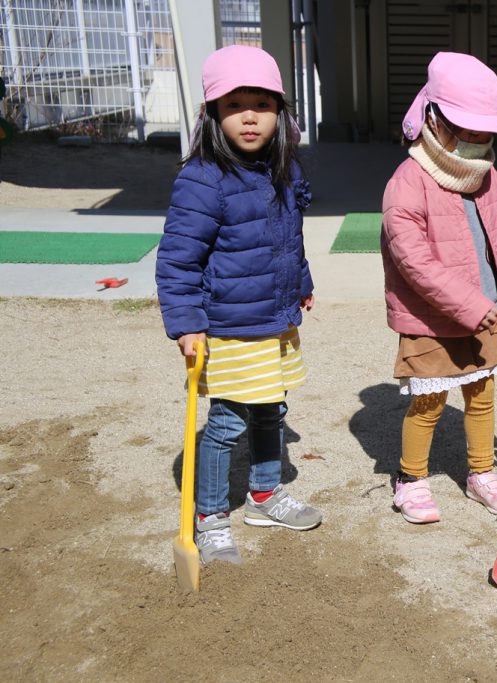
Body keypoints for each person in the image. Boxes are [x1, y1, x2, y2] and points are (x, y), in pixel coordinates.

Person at [156, 45, 321, 565]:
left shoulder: (283, 170)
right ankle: (209, 517)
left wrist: (301, 280)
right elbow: (178, 259)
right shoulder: (203, 179)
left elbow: (287, 239)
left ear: (281, 112)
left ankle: (265, 494)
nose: (250, 118)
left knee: (272, 409)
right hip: (229, 326)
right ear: (212, 114)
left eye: (262, 105)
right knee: (227, 423)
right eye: (234, 106)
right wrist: (186, 322)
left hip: (274, 318)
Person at [381, 51, 497, 524]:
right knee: (429, 401)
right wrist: (469, 304)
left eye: (484, 133)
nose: (476, 142)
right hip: (431, 317)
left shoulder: (487, 176)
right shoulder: (408, 181)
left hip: (483, 310)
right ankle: (411, 478)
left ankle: (481, 472)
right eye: (466, 130)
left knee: (481, 395)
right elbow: (412, 261)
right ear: (433, 118)